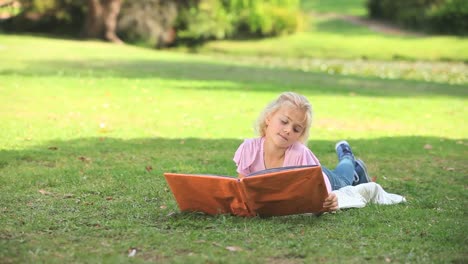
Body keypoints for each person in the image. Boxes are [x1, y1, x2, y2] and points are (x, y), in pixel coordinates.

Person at [233, 92, 371, 212]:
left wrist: (328, 201)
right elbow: (242, 188)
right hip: (310, 171)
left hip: (323, 179)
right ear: (268, 118)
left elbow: (318, 197)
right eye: (284, 121)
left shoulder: (300, 155)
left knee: (344, 180)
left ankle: (347, 157)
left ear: (299, 135)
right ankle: (355, 168)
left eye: (296, 129)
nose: (288, 130)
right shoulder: (248, 148)